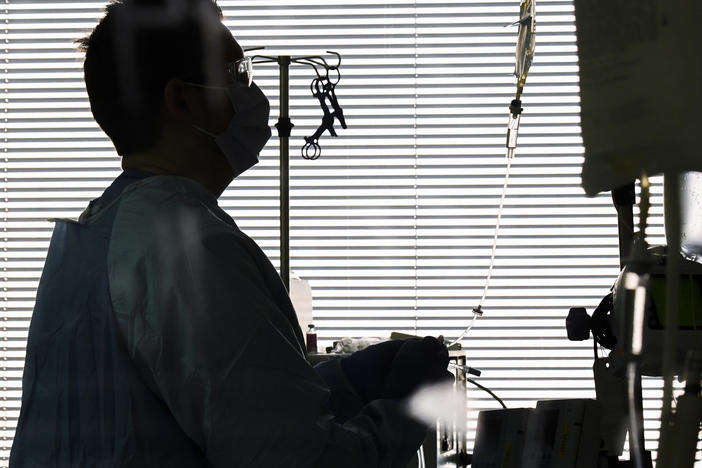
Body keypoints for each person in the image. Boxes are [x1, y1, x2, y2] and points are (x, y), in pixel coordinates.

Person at [9, 1, 452, 467]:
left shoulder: (103, 230)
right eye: (235, 71)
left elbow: (181, 400)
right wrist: (406, 412)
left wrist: (336, 384)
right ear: (182, 98)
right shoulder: (188, 249)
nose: (251, 91)